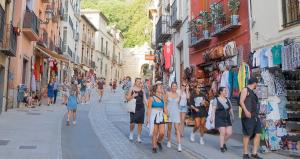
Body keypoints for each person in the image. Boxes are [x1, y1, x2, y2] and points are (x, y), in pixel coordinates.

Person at [240, 77, 263, 159]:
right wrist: (246, 111)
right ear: (254, 83)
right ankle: (245, 154)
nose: (257, 85)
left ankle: (254, 153)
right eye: (257, 84)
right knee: (247, 134)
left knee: (258, 133)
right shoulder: (245, 90)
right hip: (247, 116)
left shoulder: (253, 92)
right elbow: (241, 101)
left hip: (255, 116)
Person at [210, 87, 234, 152]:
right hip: (219, 118)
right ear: (220, 92)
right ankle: (221, 147)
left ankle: (223, 142)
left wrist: (232, 116)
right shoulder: (216, 100)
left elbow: (230, 109)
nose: (226, 92)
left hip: (227, 118)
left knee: (229, 133)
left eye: (226, 91)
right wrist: (212, 117)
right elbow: (213, 110)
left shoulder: (228, 100)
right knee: (222, 132)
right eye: (225, 91)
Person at [146, 81, 168, 153]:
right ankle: (154, 147)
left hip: (161, 115)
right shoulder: (151, 98)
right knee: (155, 132)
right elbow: (149, 109)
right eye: (159, 86)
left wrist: (167, 116)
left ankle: (158, 141)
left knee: (162, 133)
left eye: (161, 86)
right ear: (155, 89)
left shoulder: (163, 97)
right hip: (154, 115)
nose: (161, 87)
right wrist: (148, 119)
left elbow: (165, 108)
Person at [126, 78, 147, 143]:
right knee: (132, 122)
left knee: (140, 123)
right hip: (133, 107)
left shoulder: (142, 90)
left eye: (140, 82)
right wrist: (133, 96)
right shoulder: (131, 89)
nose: (139, 83)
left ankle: (138, 137)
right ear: (135, 82)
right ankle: (131, 133)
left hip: (141, 108)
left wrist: (149, 106)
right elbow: (127, 99)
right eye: (137, 81)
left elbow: (145, 99)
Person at [166, 82, 182, 152]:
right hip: (168, 113)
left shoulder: (179, 95)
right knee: (169, 128)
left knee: (177, 128)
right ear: (171, 87)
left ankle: (179, 145)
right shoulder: (167, 94)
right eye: (173, 86)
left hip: (176, 113)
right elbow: (165, 104)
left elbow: (178, 105)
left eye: (175, 86)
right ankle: (169, 141)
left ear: (177, 87)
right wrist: (166, 112)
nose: (174, 87)